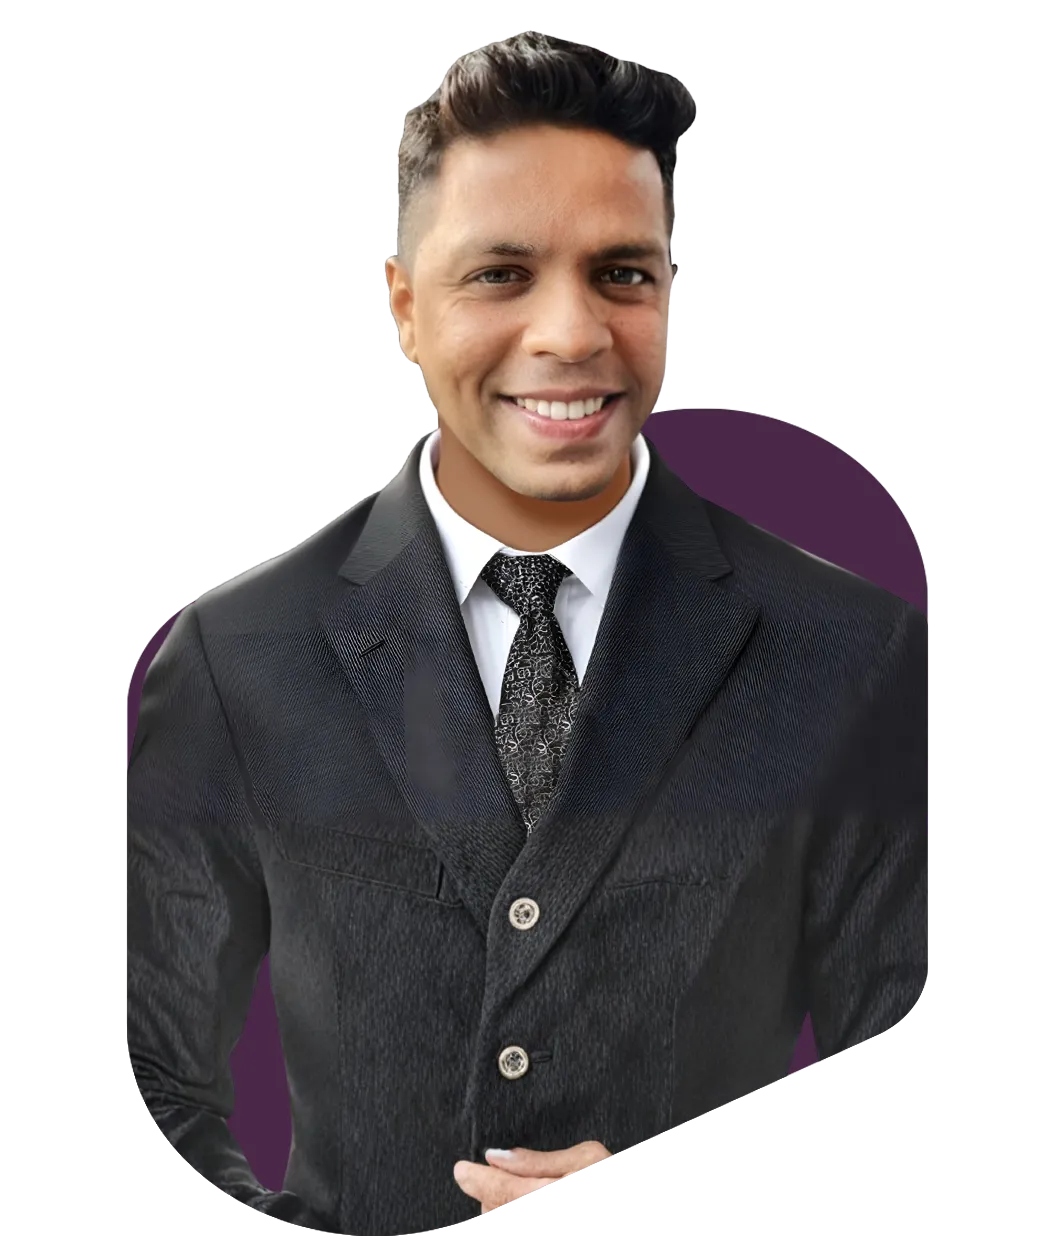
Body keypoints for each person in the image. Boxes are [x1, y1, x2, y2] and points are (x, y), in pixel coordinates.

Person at [127, 32, 927, 1238]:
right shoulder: (237, 658)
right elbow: (154, 1072)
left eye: (623, 273)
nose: (570, 333)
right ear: (402, 302)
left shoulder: (856, 658)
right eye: (501, 273)